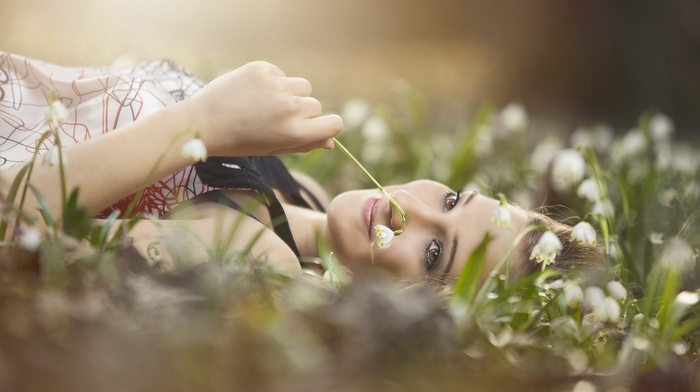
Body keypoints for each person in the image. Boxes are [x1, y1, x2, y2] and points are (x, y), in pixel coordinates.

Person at [0, 52, 601, 281]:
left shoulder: (265, 257)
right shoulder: (302, 189)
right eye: (450, 201)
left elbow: (14, 218)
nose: (407, 209)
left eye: (433, 253)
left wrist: (204, 121)